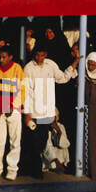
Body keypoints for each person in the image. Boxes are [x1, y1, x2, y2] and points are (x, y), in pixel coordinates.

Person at [23, 45, 78, 179]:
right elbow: (27, 92)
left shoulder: (51, 65)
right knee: (34, 141)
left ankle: (43, 166)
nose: (39, 58)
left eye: (42, 55)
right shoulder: (29, 68)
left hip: (47, 111)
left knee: (42, 140)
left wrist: (74, 64)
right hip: (35, 111)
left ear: (45, 54)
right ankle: (36, 170)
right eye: (37, 55)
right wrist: (27, 113)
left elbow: (63, 78)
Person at [0, 48, 27, 180]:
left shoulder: (17, 68)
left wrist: (13, 105)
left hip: (13, 110)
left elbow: (23, 89)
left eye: (4, 57)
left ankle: (12, 169)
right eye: (0, 57)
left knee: (14, 141)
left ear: (10, 57)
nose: (1, 59)